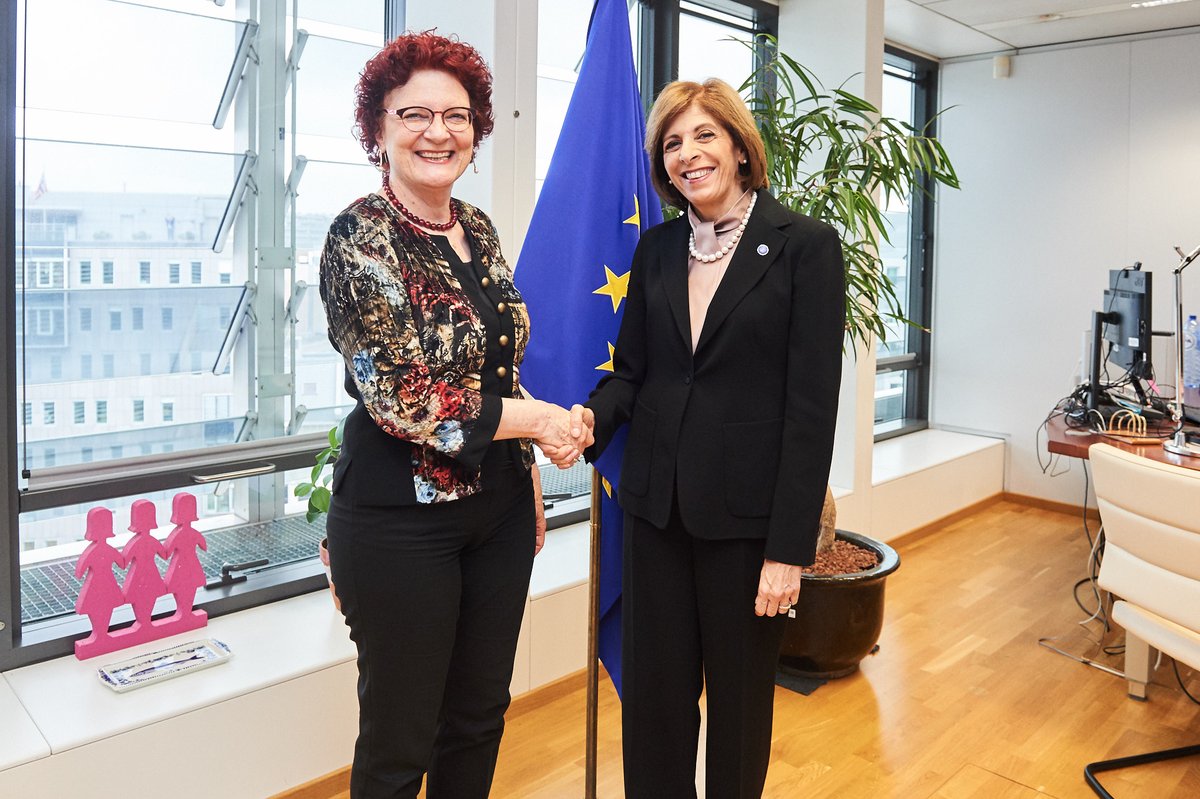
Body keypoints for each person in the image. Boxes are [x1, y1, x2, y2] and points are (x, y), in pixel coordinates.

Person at [319, 32, 592, 799]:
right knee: (400, 742)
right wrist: (539, 423)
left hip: (499, 510)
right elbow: (403, 396)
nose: (438, 131)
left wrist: (526, 470)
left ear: (476, 129)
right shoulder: (359, 236)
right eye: (415, 114)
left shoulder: (478, 226)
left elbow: (497, 368)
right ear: (378, 128)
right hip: (400, 519)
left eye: (457, 115)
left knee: (478, 716)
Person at [583, 77, 845, 798]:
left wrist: (788, 551)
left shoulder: (806, 247)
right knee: (655, 710)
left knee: (739, 710)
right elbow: (631, 375)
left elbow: (811, 411)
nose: (688, 154)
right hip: (655, 515)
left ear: (739, 147)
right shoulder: (658, 249)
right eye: (672, 143)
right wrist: (587, 422)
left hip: (747, 527)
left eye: (704, 135)